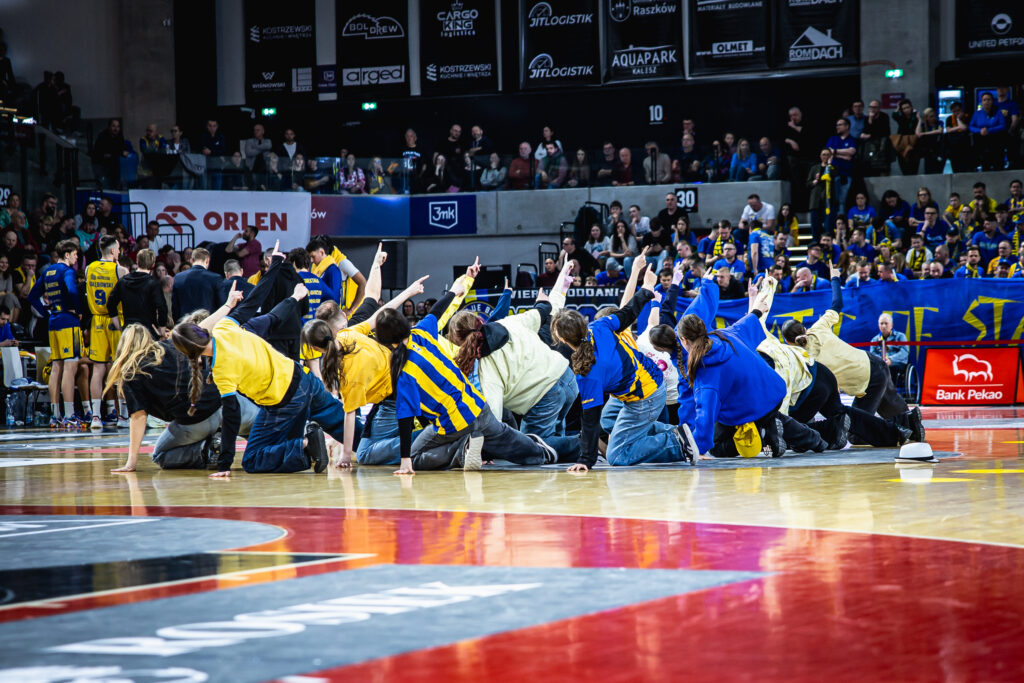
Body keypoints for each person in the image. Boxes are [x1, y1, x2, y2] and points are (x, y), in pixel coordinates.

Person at [375, 260, 557, 474]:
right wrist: (454, 291)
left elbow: (405, 419)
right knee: (507, 438)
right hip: (477, 405)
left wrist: (405, 460)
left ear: (384, 340)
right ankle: (541, 452)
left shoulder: (403, 371)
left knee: (415, 456)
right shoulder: (421, 334)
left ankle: (463, 449)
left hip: (454, 423)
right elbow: (437, 311)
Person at [171, 257, 349, 477]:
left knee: (253, 459)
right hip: (302, 377)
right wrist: (275, 268)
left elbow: (232, 417)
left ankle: (305, 446)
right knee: (342, 421)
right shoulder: (226, 327)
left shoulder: (221, 371)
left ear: (190, 354)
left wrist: (225, 464)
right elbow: (257, 303)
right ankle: (375, 444)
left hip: (283, 402)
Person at [551, 261, 688, 470]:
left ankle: (676, 443)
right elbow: (629, 311)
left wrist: (585, 460)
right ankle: (672, 431)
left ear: (562, 340)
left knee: (617, 455)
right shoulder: (600, 325)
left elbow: (589, 420)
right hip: (646, 381)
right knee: (608, 421)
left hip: (646, 395)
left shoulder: (587, 373)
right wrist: (646, 289)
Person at [301, 245, 427, 466]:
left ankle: (435, 435)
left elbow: (349, 412)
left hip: (396, 391)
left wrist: (345, 455)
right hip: (405, 379)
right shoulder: (351, 329)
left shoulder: (348, 356)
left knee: (366, 450)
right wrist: (382, 270)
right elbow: (375, 299)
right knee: (368, 432)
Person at [447, 261, 579, 462]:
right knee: (554, 445)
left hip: (545, 394)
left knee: (532, 448)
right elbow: (542, 312)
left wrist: (482, 449)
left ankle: (586, 444)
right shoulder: (508, 322)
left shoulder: (486, 367)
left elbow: (493, 416)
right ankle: (578, 455)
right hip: (566, 377)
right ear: (481, 321)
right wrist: (545, 300)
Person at [106, 322, 258, 472]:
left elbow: (138, 417)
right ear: (149, 338)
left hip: (197, 420)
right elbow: (202, 327)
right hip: (230, 402)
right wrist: (227, 308)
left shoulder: (131, 373)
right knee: (262, 431)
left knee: (160, 456)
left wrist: (131, 462)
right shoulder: (172, 345)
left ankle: (207, 449)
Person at [782, 265, 907, 420]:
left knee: (858, 428)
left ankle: (910, 423)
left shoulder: (803, 360)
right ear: (804, 329)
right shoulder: (818, 327)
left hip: (869, 379)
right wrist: (835, 278)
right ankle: (911, 422)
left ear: (787, 342)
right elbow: (837, 303)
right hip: (873, 363)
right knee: (893, 409)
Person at [28, 240, 82, 427]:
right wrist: (78, 309)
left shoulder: (47, 272)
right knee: (70, 367)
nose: (77, 258)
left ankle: (55, 414)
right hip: (69, 322)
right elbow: (72, 290)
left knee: (57, 366)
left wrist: (46, 313)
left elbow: (32, 296)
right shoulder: (67, 271)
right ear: (66, 254)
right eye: (75, 254)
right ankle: (69, 415)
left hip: (53, 322)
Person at [84, 235, 130, 430]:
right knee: (121, 368)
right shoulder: (121, 270)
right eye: (118, 249)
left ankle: (95, 416)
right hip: (116, 321)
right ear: (113, 251)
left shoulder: (88, 268)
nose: (119, 251)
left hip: (97, 321)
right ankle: (123, 416)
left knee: (98, 369)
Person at [107, 248, 167, 339]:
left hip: (129, 331)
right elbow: (161, 307)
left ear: (137, 261)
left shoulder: (123, 281)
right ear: (153, 264)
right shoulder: (154, 283)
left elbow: (110, 304)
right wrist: (162, 327)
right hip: (148, 331)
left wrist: (119, 327)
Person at [307, 236, 366, 314]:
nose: (311, 260)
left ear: (322, 251)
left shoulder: (342, 263)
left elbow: (363, 282)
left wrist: (351, 309)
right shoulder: (317, 264)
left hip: (341, 314)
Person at [171, 247, 223, 320]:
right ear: (207, 260)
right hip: (208, 322)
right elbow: (221, 304)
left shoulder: (178, 278)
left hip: (185, 322)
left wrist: (177, 323)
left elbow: (175, 306)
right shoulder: (215, 278)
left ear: (191, 260)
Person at [970, 92, 1008, 171]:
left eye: (989, 100)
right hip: (981, 139)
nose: (986, 102)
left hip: (995, 139)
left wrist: (989, 130)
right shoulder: (977, 114)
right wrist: (980, 130)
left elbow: (1002, 126)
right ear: (982, 102)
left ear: (992, 101)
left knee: (997, 162)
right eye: (984, 100)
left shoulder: (998, 112)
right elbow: (971, 127)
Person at [825, 118, 856, 208]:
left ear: (847, 126)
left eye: (840, 125)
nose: (837, 127)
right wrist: (844, 156)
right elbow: (828, 153)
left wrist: (835, 152)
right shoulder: (833, 139)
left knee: (843, 200)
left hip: (846, 174)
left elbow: (852, 152)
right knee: (832, 199)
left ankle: (841, 216)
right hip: (833, 173)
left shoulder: (851, 139)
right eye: (837, 125)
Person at [807, 148, 837, 241]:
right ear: (820, 156)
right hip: (815, 201)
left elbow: (834, 176)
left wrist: (829, 165)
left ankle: (827, 243)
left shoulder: (832, 168)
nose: (825, 156)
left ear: (830, 156)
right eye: (824, 154)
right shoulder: (814, 168)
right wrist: (814, 182)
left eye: (828, 154)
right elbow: (808, 183)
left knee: (828, 225)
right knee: (815, 225)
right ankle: (815, 243)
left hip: (828, 201)